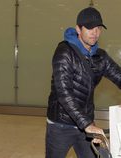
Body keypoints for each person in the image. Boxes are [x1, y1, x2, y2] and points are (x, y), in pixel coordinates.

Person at [46, 7, 121, 158]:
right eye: (89, 28)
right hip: (61, 125)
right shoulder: (64, 52)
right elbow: (64, 94)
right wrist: (86, 124)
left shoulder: (100, 57)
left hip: (86, 123)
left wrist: (87, 124)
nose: (95, 32)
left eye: (98, 28)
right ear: (78, 29)